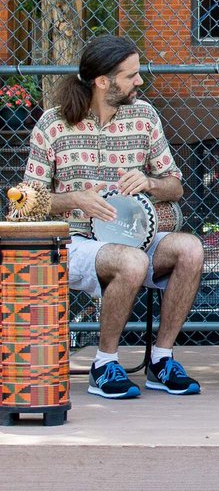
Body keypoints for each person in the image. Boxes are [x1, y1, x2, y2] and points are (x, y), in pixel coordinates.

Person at [23, 34, 204, 399]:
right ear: (102, 81)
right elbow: (25, 202)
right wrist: (74, 199)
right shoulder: (53, 124)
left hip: (136, 235)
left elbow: (176, 187)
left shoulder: (145, 115)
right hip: (76, 241)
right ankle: (104, 363)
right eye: (131, 75)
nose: (140, 81)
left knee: (191, 249)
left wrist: (151, 183)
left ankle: (162, 360)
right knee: (132, 262)